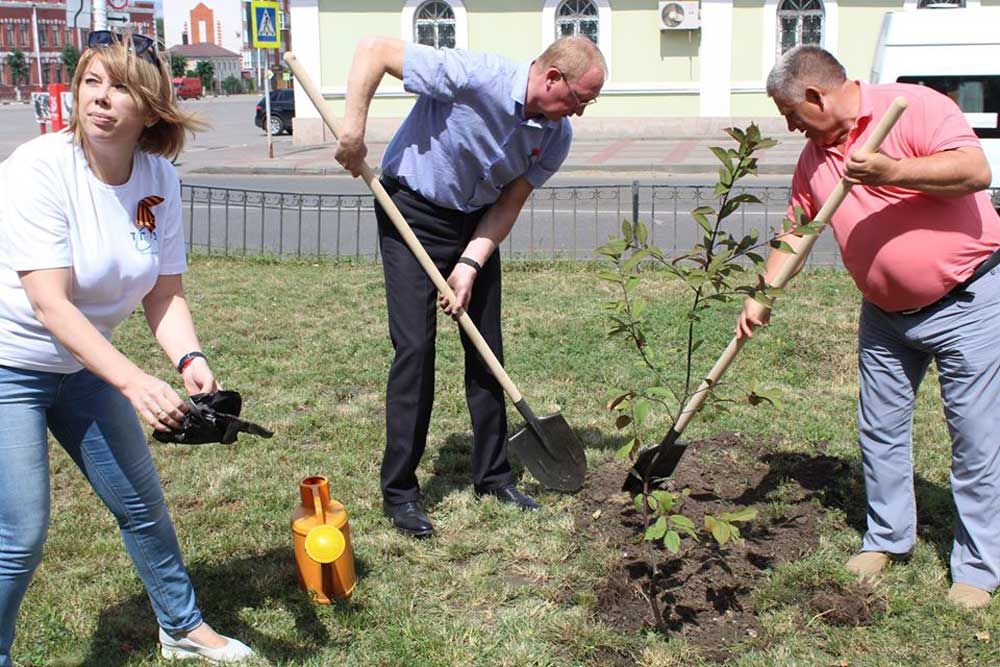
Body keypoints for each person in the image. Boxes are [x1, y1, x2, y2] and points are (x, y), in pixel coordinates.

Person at [0, 32, 254, 664]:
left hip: (86, 366)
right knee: (21, 536)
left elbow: (163, 295)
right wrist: (136, 382)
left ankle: (181, 627)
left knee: (142, 506)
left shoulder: (158, 177)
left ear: (149, 105)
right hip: (10, 363)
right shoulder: (38, 168)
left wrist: (191, 362)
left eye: (120, 87)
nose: (102, 99)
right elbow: (50, 304)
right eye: (91, 81)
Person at [737, 45, 1000, 609]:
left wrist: (892, 171)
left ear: (816, 96)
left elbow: (975, 171)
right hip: (884, 314)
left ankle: (977, 567)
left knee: (975, 439)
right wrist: (763, 294)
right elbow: (799, 230)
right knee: (879, 429)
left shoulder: (916, 108)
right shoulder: (815, 155)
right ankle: (887, 538)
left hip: (969, 300)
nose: (790, 127)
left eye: (791, 114)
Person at [335, 36, 606, 537]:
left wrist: (470, 264)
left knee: (487, 351)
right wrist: (353, 132)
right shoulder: (472, 75)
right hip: (411, 207)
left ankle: (494, 476)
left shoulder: (556, 136)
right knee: (415, 347)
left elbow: (509, 203)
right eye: (578, 100)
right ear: (552, 78)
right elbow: (373, 51)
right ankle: (400, 492)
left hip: (475, 221)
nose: (579, 113)